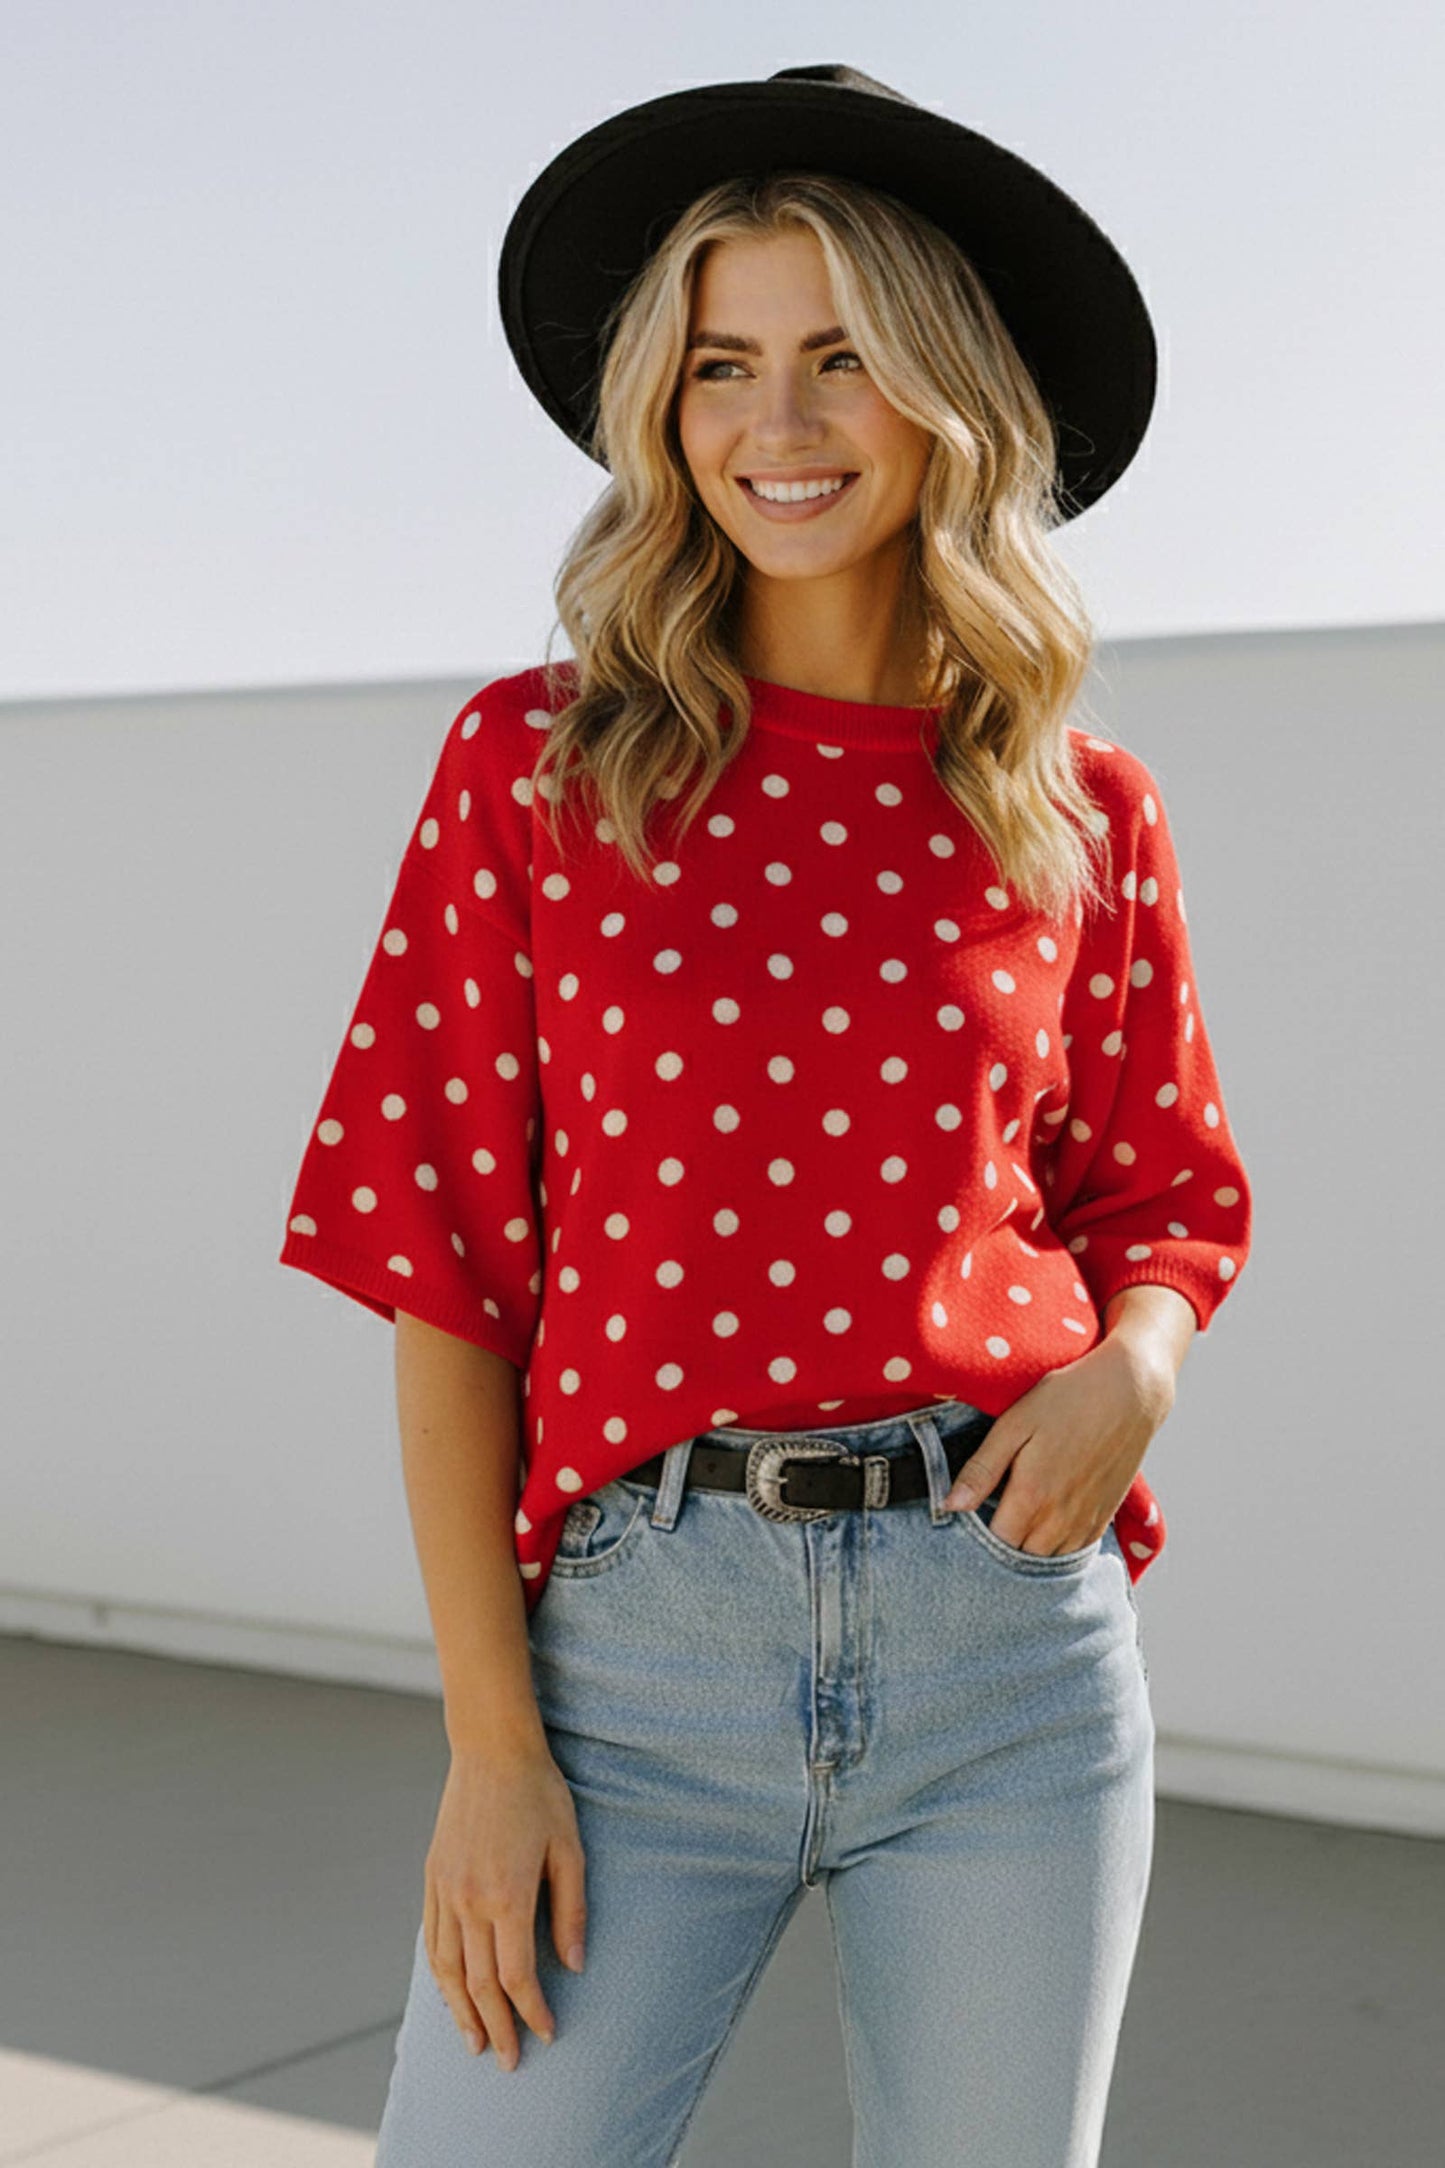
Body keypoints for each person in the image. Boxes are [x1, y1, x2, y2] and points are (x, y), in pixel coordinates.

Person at [278, 63, 1253, 2168]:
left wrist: (1141, 1369)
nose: (777, 425)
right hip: (632, 1663)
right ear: (662, 404)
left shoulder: (1080, 807)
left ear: (946, 397)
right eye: (724, 365)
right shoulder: (536, 769)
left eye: (843, 360)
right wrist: (491, 1742)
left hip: (1011, 1654)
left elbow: (1163, 1193)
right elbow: (442, 1271)